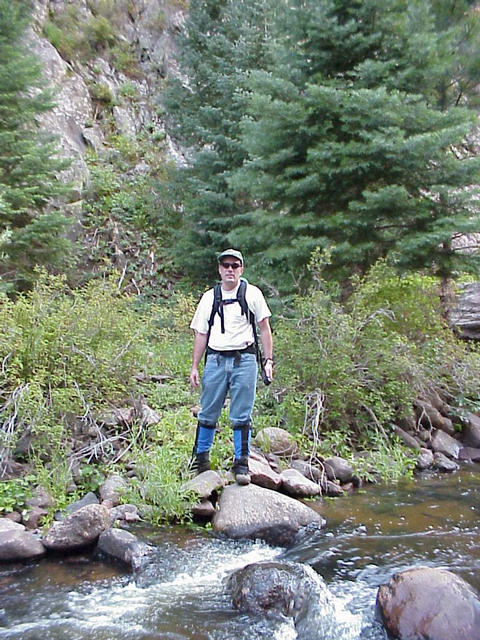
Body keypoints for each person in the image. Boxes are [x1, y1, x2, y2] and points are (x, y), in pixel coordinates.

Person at [189, 249, 274, 485]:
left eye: (235, 266)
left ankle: (241, 463)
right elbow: (201, 333)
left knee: (241, 414)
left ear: (241, 269)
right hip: (215, 360)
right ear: (219, 269)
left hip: (244, 360)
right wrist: (195, 366)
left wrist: (268, 360)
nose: (230, 269)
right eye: (226, 265)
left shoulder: (252, 294)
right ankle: (200, 459)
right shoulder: (209, 297)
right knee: (208, 411)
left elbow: (264, 328)